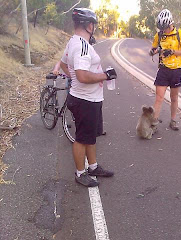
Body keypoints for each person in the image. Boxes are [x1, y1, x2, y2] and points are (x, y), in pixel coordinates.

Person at [59, 8, 116, 187]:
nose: (94, 27)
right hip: (85, 100)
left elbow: (63, 64)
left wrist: (73, 78)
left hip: (88, 98)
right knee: (82, 138)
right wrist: (105, 76)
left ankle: (93, 166)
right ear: (89, 25)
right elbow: (83, 76)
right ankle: (80, 173)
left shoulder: (73, 42)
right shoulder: (82, 46)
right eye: (94, 24)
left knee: (90, 136)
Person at [149, 9, 181, 131]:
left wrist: (172, 51)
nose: (163, 31)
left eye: (165, 28)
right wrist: (153, 52)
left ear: (170, 24)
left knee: (174, 97)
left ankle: (173, 120)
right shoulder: (159, 35)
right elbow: (153, 49)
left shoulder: (180, 34)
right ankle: (154, 124)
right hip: (163, 70)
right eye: (161, 28)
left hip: (176, 70)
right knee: (159, 97)